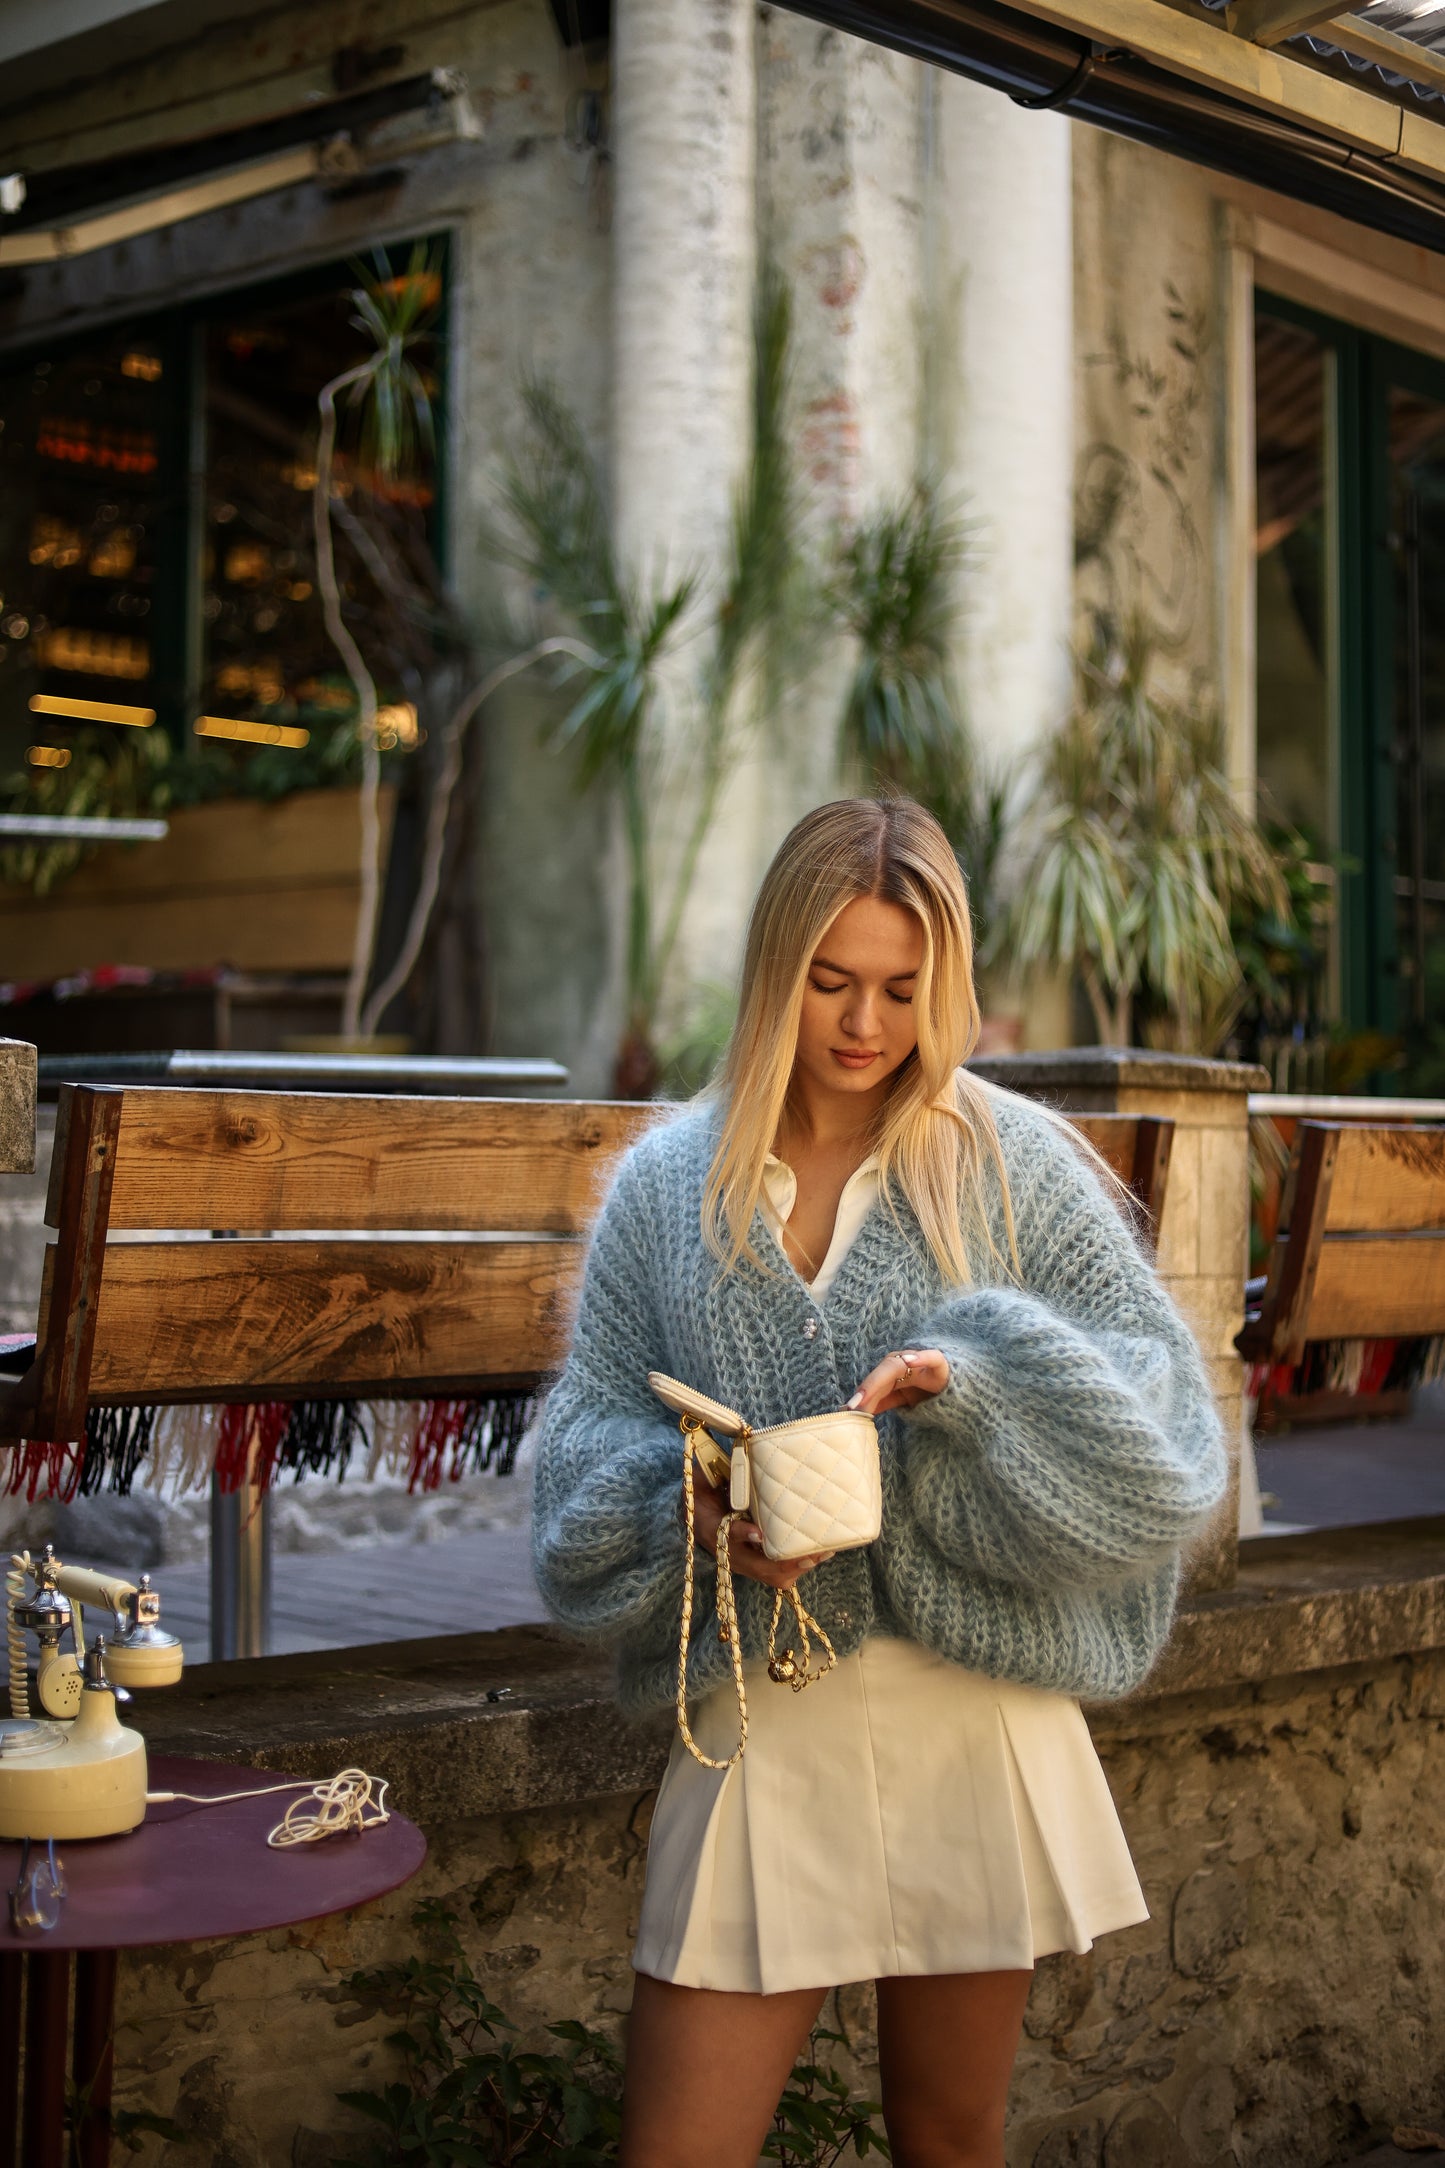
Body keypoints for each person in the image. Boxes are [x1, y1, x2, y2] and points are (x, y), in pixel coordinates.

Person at [533, 797, 1227, 2168]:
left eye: (903, 990)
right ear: (772, 973)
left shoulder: (1007, 1161)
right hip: (762, 1718)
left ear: (946, 985)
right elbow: (579, 1444)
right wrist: (694, 1508)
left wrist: (975, 1386)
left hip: (972, 1708)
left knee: (950, 2140)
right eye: (830, 981)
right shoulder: (670, 1187)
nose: (864, 1024)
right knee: (674, 2151)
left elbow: (1162, 1421)